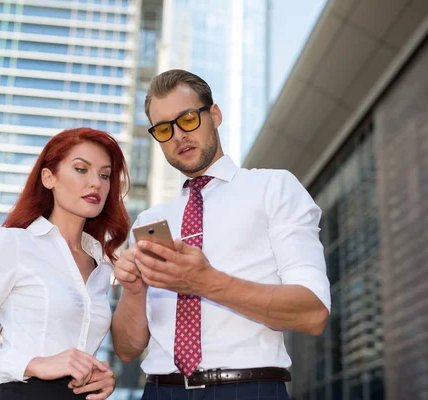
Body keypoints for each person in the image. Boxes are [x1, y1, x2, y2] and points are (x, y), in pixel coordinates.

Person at [111, 69, 331, 400]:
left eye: (187, 120)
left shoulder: (273, 187)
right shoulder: (150, 219)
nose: (177, 136)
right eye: (164, 129)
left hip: (247, 389)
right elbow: (128, 351)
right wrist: (133, 290)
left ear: (214, 115)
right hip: (160, 392)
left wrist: (203, 281)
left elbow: (313, 313)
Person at [0, 127, 130, 400]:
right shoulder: (15, 243)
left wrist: (99, 377)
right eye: (81, 169)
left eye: (104, 175)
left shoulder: (102, 267)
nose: (96, 183)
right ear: (48, 177)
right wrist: (36, 364)